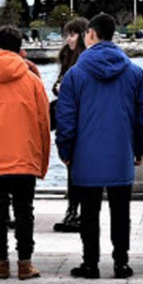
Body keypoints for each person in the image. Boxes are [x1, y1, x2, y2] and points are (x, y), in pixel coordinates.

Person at [56, 13, 143, 279]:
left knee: (89, 213)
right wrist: (139, 147)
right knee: (121, 213)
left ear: (91, 34)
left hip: (85, 156)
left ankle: (90, 264)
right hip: (121, 152)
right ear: (113, 35)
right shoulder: (134, 72)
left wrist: (65, 150)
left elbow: (66, 118)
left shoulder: (75, 75)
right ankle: (121, 263)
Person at [0, 26, 50, 280]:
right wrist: (42, 162)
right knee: (25, 211)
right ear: (19, 48)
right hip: (25, 157)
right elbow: (44, 124)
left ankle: (1, 263)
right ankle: (25, 264)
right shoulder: (33, 82)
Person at [51, 18, 89, 233]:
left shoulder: (85, 61)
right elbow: (59, 86)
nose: (68, 39)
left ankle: (76, 212)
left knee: (78, 167)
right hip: (69, 120)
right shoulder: (67, 58)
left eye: (73, 34)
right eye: (67, 34)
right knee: (72, 167)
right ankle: (73, 210)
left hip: (81, 121)